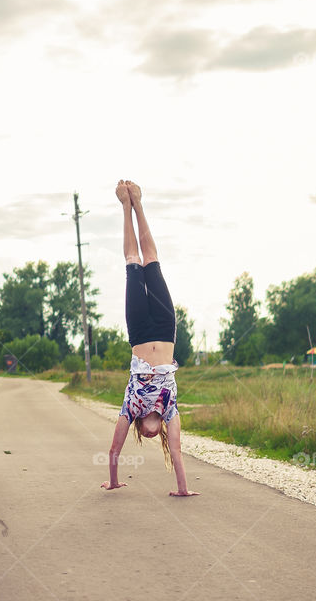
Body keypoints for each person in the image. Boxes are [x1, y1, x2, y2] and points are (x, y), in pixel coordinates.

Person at [101, 182, 198, 497]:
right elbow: (179, 453)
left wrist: (114, 480)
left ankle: (126, 207)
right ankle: (139, 204)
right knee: (152, 261)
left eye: (147, 434)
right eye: (158, 436)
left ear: (140, 429)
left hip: (140, 331)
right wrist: (182, 489)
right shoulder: (170, 409)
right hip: (165, 326)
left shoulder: (131, 406)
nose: (153, 433)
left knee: (133, 263)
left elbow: (114, 449)